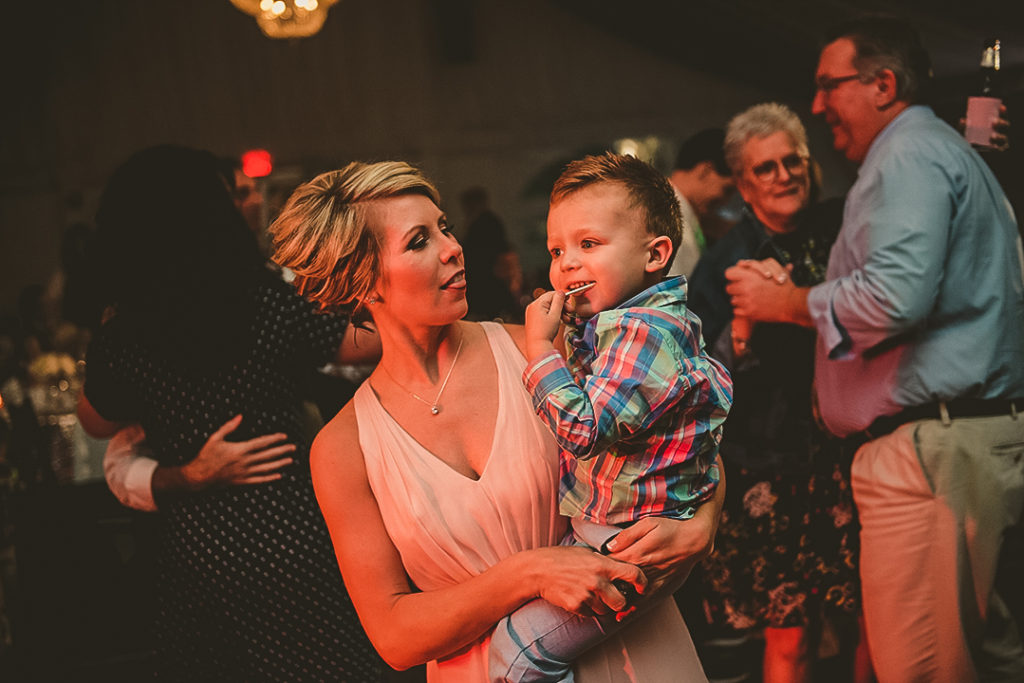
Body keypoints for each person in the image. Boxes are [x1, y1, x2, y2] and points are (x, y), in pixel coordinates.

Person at [269, 160, 724, 682]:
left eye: (446, 228)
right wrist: (529, 573)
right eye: (419, 241)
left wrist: (703, 524)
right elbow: (394, 638)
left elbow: (689, 432)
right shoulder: (342, 447)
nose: (452, 248)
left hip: (634, 657)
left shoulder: (548, 350)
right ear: (362, 283)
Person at [724, 16, 1024, 681]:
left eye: (829, 86)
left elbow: (894, 298)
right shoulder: (935, 152)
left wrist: (788, 302)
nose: (819, 104)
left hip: (929, 450)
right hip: (950, 441)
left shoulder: (909, 156)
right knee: (982, 657)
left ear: (882, 84)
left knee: (920, 667)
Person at [76, 145, 384, 681]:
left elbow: (95, 422)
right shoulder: (262, 302)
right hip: (292, 531)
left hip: (197, 553)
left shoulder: (123, 338)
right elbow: (367, 343)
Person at [488, 152, 732, 681]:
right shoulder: (634, 324)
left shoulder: (640, 334)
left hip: (622, 542)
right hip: (612, 531)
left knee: (515, 653)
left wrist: (538, 347)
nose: (566, 263)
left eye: (589, 244)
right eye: (557, 250)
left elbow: (582, 429)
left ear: (656, 253)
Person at [687, 103, 865, 683]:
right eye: (767, 168)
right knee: (789, 640)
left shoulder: (842, 227)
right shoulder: (723, 264)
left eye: (794, 161)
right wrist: (743, 330)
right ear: (742, 182)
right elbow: (700, 379)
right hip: (770, 467)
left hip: (847, 456)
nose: (785, 175)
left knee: (869, 620)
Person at [666, 129, 736, 278]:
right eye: (727, 190)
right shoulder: (666, 217)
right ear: (705, 171)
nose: (725, 202)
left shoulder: (684, 215)